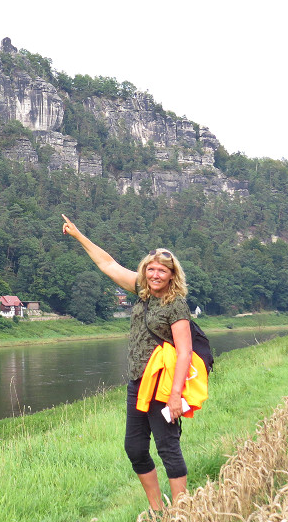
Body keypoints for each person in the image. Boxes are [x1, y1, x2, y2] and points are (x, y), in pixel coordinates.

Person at [61, 214, 193, 511]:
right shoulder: (141, 292)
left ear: (172, 275)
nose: (156, 275)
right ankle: (158, 510)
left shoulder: (177, 305)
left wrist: (175, 395)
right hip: (137, 383)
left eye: (162, 271)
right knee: (134, 448)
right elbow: (107, 264)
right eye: (152, 270)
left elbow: (184, 351)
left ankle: (184, 511)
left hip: (162, 387)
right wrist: (79, 236)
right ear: (145, 272)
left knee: (167, 447)